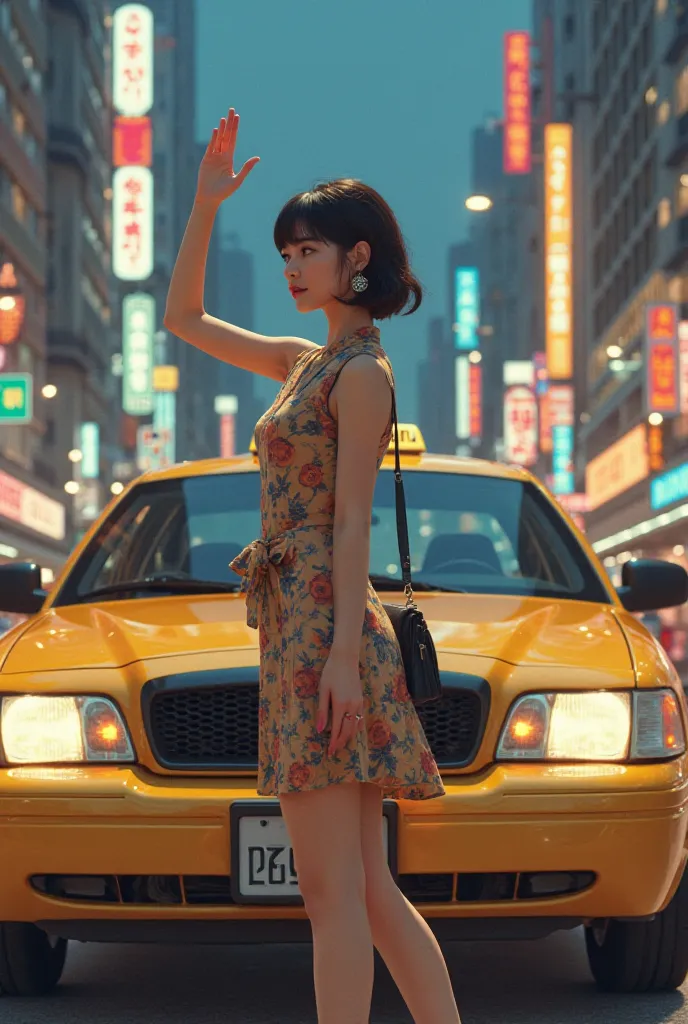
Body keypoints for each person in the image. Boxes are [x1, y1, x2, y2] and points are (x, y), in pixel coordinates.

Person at [164, 108, 462, 1024]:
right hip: (300, 631)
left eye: (307, 250)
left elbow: (350, 525)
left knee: (335, 897)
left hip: (327, 638)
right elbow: (182, 319)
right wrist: (207, 205)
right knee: (364, 892)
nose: (292, 266)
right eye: (286, 251)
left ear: (356, 258)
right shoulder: (305, 363)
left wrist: (336, 658)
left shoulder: (361, 376)